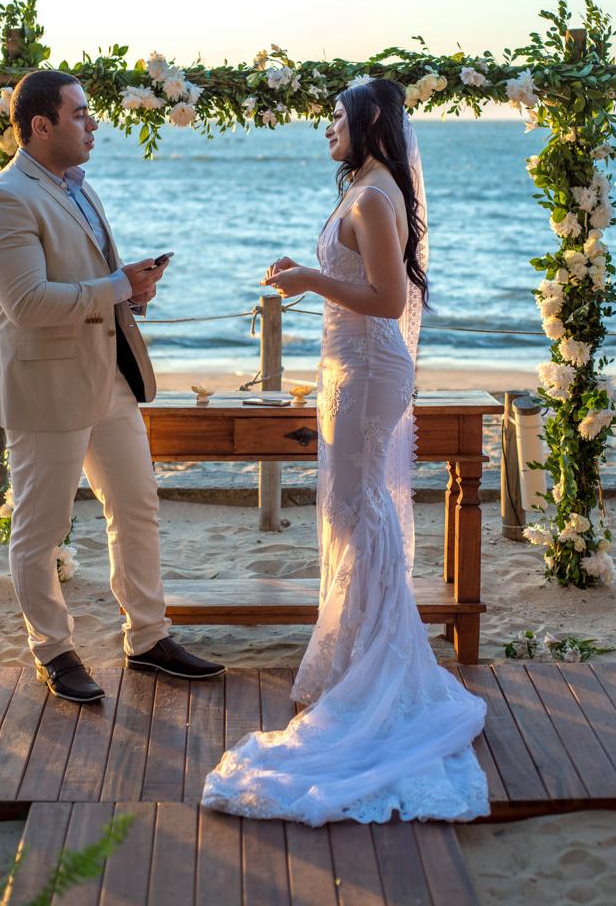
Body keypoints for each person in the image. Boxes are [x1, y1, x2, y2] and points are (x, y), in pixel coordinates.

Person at [202, 78, 488, 825]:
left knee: (357, 514)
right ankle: (360, 655)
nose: (325, 129)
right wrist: (315, 279)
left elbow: (387, 300)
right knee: (350, 515)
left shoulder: (370, 195)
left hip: (366, 367)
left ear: (365, 122)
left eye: (334, 118)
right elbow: (362, 282)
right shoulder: (371, 187)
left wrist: (304, 279)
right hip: (349, 368)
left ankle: (372, 669)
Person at [0, 70, 224, 703]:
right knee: (41, 526)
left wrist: (129, 291)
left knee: (137, 507)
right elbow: (27, 302)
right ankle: (53, 650)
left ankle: (147, 639)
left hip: (108, 377)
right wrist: (114, 287)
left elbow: (88, 281)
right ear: (41, 125)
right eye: (80, 114)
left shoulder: (82, 189)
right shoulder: (3, 199)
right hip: (49, 388)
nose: (93, 123)